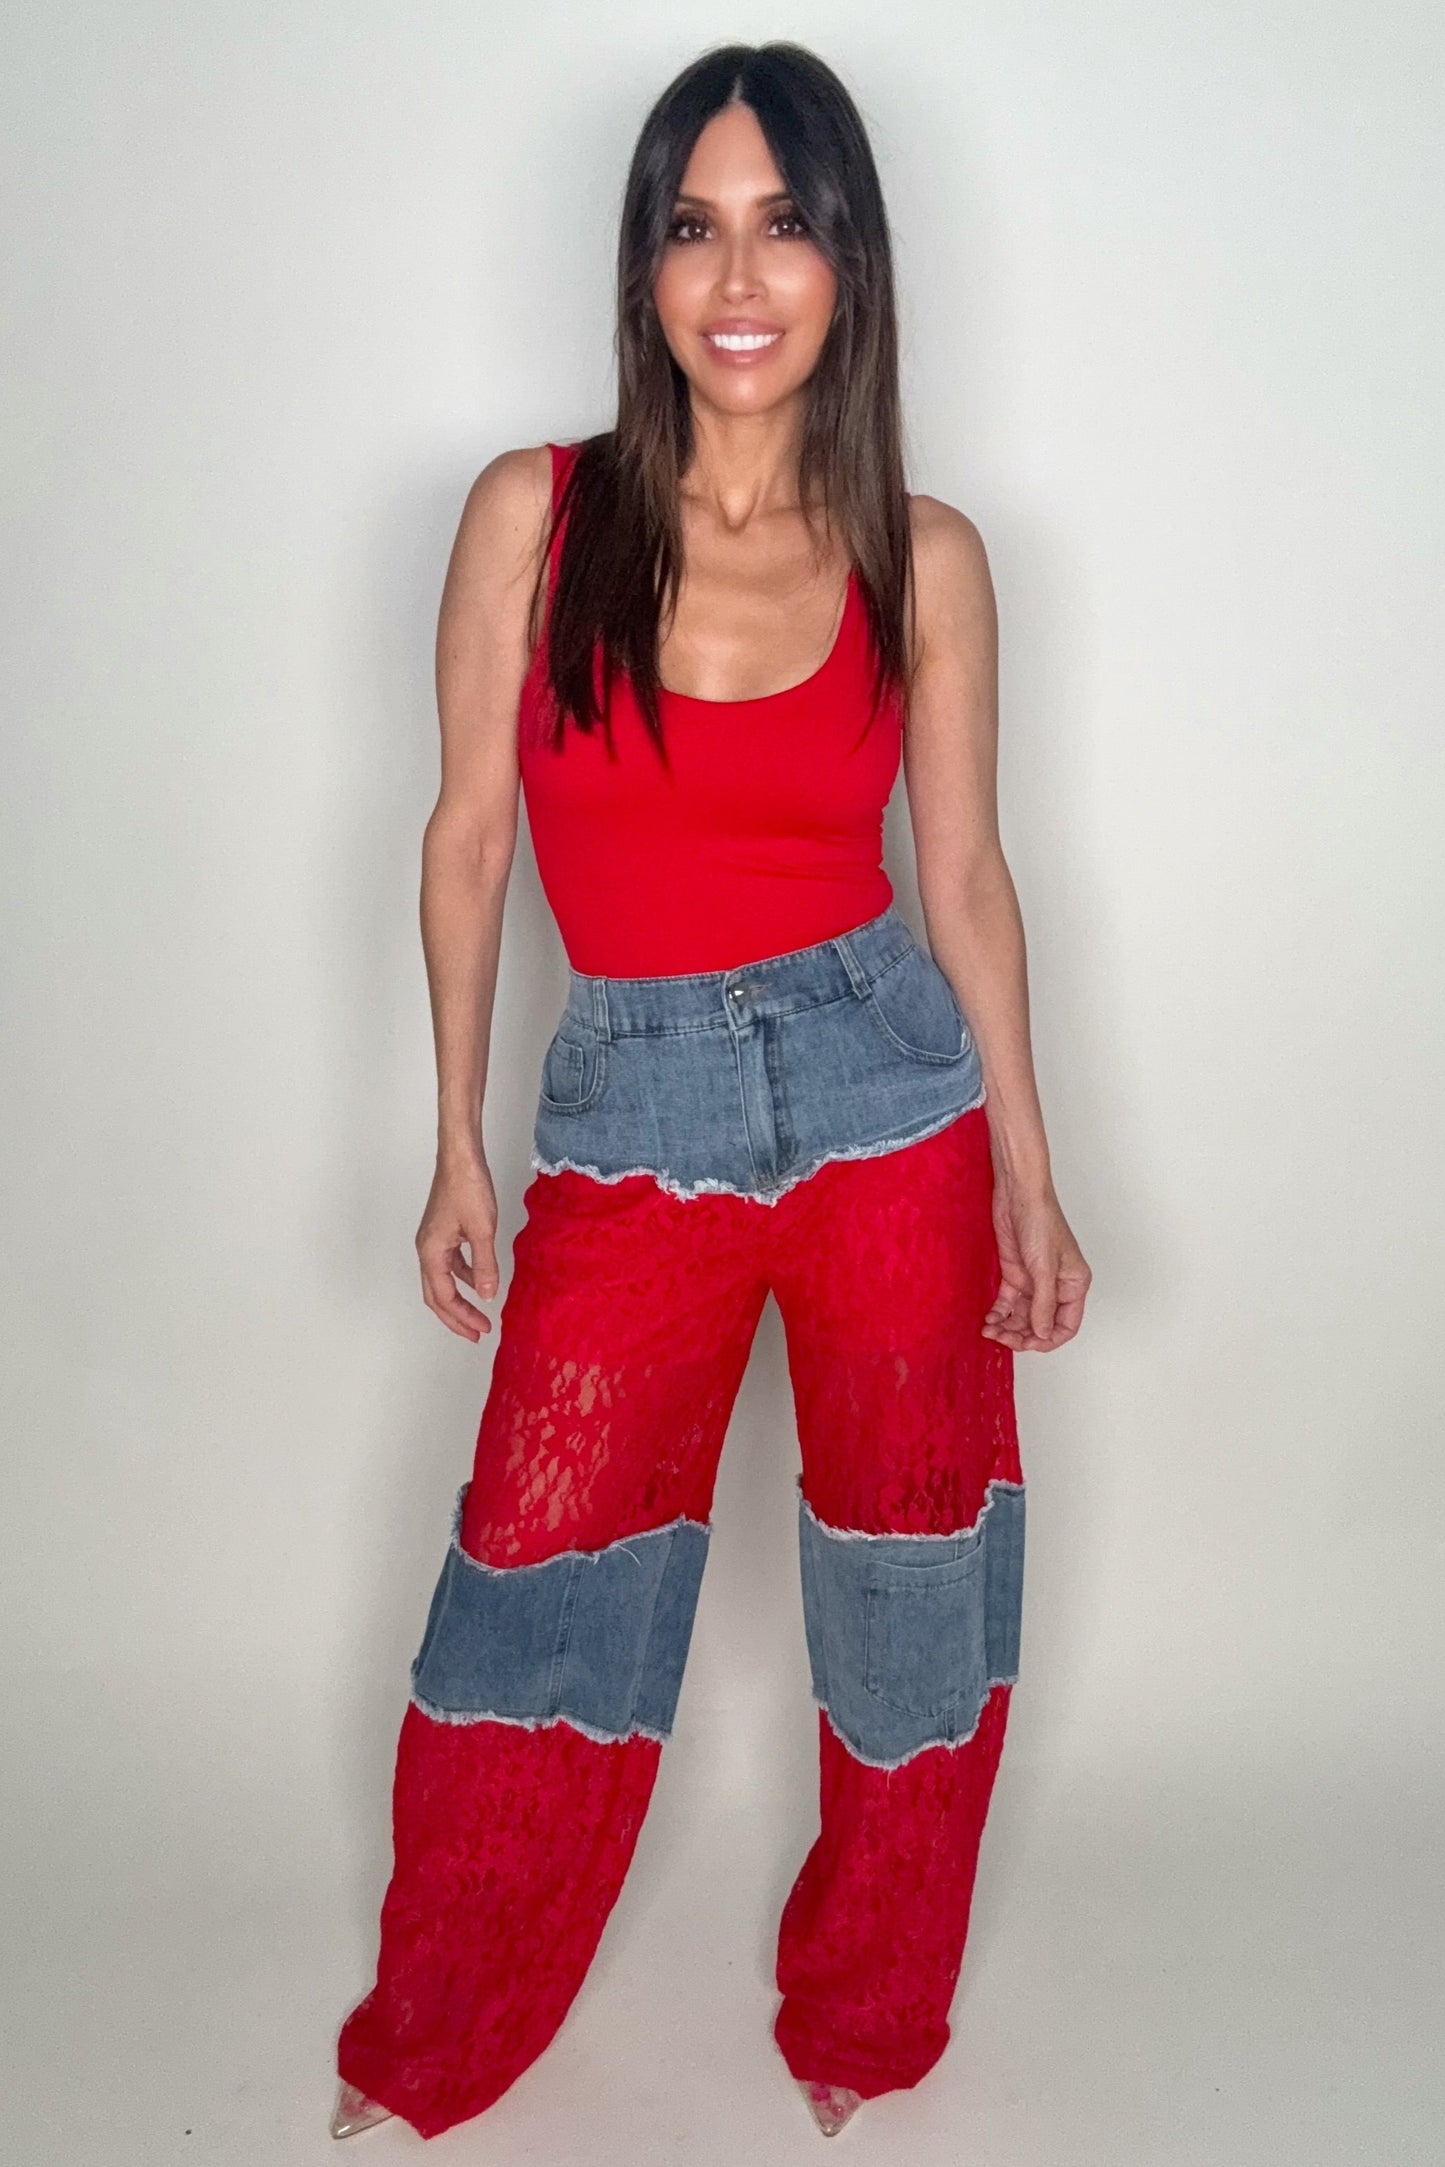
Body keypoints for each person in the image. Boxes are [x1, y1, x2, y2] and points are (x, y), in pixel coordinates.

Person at [332, 39, 1090, 2146]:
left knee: (910, 1576)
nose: (734, 275)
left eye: (783, 224)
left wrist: (1030, 1168)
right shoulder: (534, 513)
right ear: (645, 264)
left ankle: (866, 2018)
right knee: (533, 1568)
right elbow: (466, 835)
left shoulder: (921, 555)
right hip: (630, 1105)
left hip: (888, 1101)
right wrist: (460, 1134)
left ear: (848, 263)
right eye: (692, 224)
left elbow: (965, 878)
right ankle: (445, 2025)